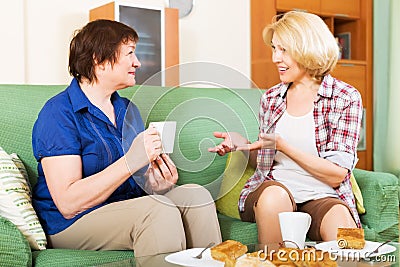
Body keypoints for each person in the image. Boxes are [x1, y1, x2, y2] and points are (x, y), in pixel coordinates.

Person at [32, 19, 221, 257]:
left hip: (123, 208)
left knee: (196, 196)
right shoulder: (58, 112)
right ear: (99, 61)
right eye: (130, 53)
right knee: (155, 210)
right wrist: (131, 161)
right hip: (71, 222)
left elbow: (137, 185)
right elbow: (69, 203)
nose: (138, 62)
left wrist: (155, 185)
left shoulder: (126, 109)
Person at [209, 11, 363, 245]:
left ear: (307, 48)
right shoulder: (271, 98)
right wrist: (242, 143)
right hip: (275, 189)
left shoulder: (345, 97)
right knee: (274, 197)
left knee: (345, 233)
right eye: (274, 49)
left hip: (323, 195)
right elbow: (263, 161)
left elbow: (337, 174)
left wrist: (284, 146)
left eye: (284, 50)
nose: (275, 58)